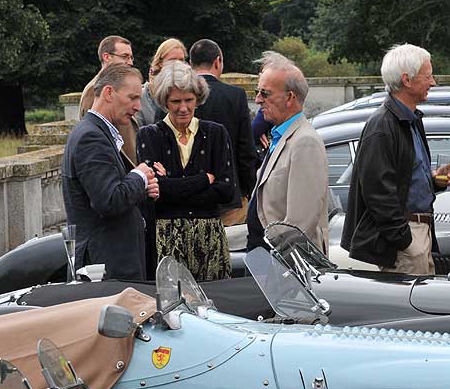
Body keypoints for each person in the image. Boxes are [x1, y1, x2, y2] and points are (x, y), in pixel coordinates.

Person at [340, 44, 450, 275]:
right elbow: (378, 192)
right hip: (407, 238)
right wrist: (403, 239)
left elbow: (401, 179)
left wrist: (432, 182)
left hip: (419, 232)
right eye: (428, 76)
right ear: (407, 80)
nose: (433, 83)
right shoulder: (383, 125)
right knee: (415, 309)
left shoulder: (409, 119)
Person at [136, 61, 235, 281]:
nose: (183, 108)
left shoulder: (216, 133)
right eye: (176, 101)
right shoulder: (149, 135)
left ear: (197, 99)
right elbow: (156, 193)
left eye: (189, 100)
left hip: (210, 238)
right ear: (164, 102)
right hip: (166, 239)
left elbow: (226, 191)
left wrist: (172, 184)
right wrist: (204, 179)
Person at [62, 64, 159, 281]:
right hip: (104, 269)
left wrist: (142, 188)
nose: (138, 107)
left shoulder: (97, 132)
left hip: (111, 264)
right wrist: (140, 176)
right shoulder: (91, 137)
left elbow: (109, 190)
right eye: (132, 98)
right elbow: (108, 200)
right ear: (108, 93)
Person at [247, 52, 329, 254]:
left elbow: (299, 225)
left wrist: (275, 263)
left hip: (285, 264)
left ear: (290, 98)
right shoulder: (280, 135)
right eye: (257, 92)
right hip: (268, 259)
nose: (257, 100)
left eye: (264, 93)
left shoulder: (304, 142)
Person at [190, 38, 257, 226]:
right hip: (229, 197)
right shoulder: (234, 96)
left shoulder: (175, 96)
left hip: (187, 199)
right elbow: (245, 150)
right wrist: (246, 189)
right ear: (218, 61)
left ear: (190, 64)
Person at [79, 35, 139, 165]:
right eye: (125, 57)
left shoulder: (120, 85)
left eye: (131, 57)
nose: (130, 62)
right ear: (107, 57)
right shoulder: (94, 90)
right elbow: (95, 133)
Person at [135, 38, 187, 127]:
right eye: (172, 60)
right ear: (160, 63)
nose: (178, 64)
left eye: (181, 60)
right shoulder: (142, 96)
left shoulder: (189, 92)